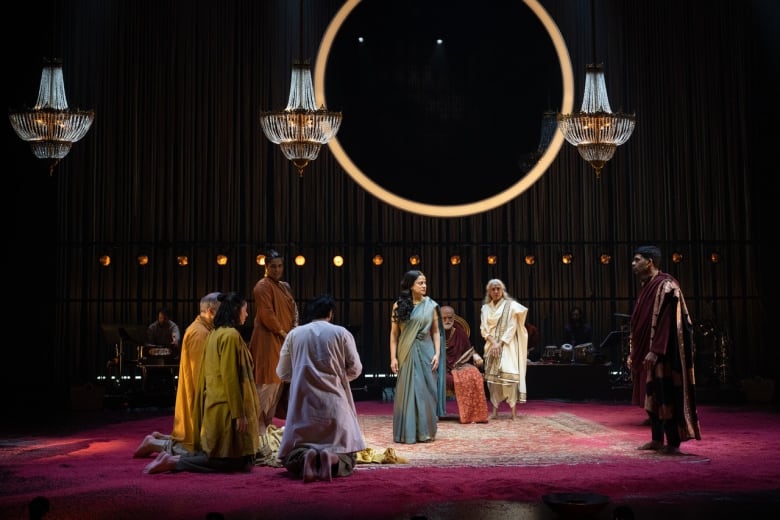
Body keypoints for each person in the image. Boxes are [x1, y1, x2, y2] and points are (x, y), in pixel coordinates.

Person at [143, 292, 260, 474]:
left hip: (218, 404)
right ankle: (175, 461)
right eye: (245, 310)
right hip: (225, 408)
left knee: (230, 458)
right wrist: (239, 413)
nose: (247, 315)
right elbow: (230, 377)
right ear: (236, 311)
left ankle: (173, 458)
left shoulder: (214, 333)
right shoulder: (228, 336)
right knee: (229, 461)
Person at [276, 294, 365, 482]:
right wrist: (339, 378)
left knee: (291, 456)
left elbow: (282, 372)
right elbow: (356, 368)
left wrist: (303, 377)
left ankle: (306, 457)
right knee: (348, 458)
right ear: (330, 314)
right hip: (335, 405)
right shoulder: (341, 333)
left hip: (303, 404)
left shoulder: (294, 334)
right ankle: (332, 458)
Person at [628, 245, 701, 454]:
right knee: (650, 396)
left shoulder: (667, 286)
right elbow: (639, 322)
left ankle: (673, 443)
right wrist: (634, 352)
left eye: (637, 260)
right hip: (647, 351)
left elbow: (669, 320)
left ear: (650, 261)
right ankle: (657, 439)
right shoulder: (647, 286)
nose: (633, 264)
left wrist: (656, 349)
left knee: (665, 394)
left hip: (664, 352)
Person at [133, 292, 221, 457]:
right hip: (197, 395)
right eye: (222, 311)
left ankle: (160, 439)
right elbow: (198, 375)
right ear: (211, 311)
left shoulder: (201, 329)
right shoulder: (200, 333)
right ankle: (154, 444)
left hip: (196, 394)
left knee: (193, 440)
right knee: (194, 447)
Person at [248, 249, 299, 450]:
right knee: (267, 383)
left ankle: (265, 430)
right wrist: (284, 333)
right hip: (268, 341)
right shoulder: (262, 286)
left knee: (279, 384)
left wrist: (294, 331)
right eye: (273, 266)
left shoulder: (284, 287)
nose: (277, 270)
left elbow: (294, 309)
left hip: (285, 341)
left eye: (280, 266)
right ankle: (256, 434)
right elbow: (267, 315)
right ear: (266, 266)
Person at [389, 270, 446, 444]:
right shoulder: (398, 306)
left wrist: (437, 353)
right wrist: (393, 358)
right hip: (406, 351)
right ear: (410, 285)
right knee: (407, 391)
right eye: (420, 283)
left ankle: (425, 431)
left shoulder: (431, 305)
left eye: (425, 282)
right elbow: (393, 335)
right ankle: (407, 432)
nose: (424, 286)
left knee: (426, 391)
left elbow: (436, 332)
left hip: (427, 351)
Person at [480, 279, 529, 420]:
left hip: (507, 346)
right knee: (492, 381)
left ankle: (513, 412)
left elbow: (512, 327)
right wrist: (493, 343)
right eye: (493, 289)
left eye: (498, 289)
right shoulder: (485, 308)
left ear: (502, 290)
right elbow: (483, 329)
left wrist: (499, 343)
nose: (496, 292)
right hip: (491, 345)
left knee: (509, 378)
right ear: (489, 291)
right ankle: (494, 411)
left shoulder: (511, 306)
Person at [441, 305, 488, 424]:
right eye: (444, 318)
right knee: (438, 377)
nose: (447, 321)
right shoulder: (433, 332)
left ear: (454, 318)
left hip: (459, 365)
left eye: (450, 318)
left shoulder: (459, 332)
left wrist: (475, 355)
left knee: (474, 374)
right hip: (440, 368)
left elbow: (469, 350)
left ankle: (473, 415)